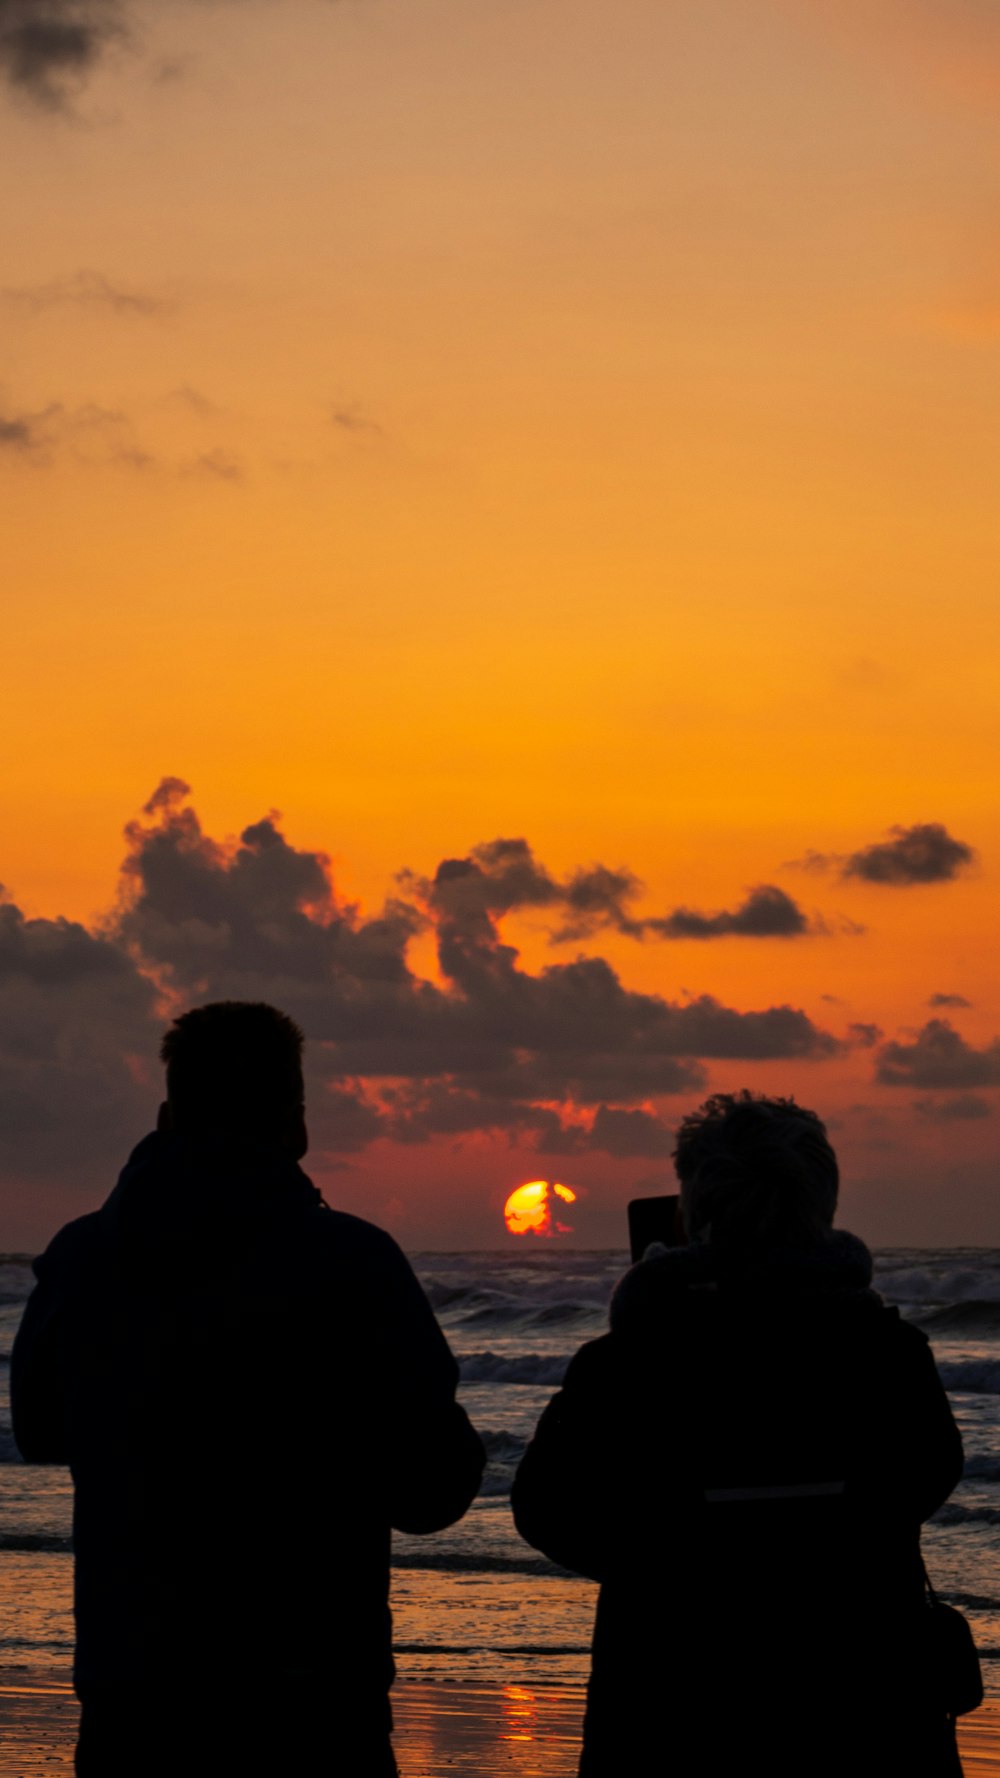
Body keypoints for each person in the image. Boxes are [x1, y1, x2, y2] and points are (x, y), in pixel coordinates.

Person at [12, 1000, 485, 1776]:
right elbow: (433, 1489)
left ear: (167, 1116)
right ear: (296, 1126)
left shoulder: (82, 1257)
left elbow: (38, 1431)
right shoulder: (354, 1261)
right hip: (310, 1686)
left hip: (133, 1682)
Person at [512, 1091, 966, 1778]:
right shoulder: (886, 1351)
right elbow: (928, 1476)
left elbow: (547, 1509)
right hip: (866, 1710)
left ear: (693, 1208)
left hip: (669, 1708)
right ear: (822, 1206)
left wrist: (673, 1561)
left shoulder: (630, 1359)